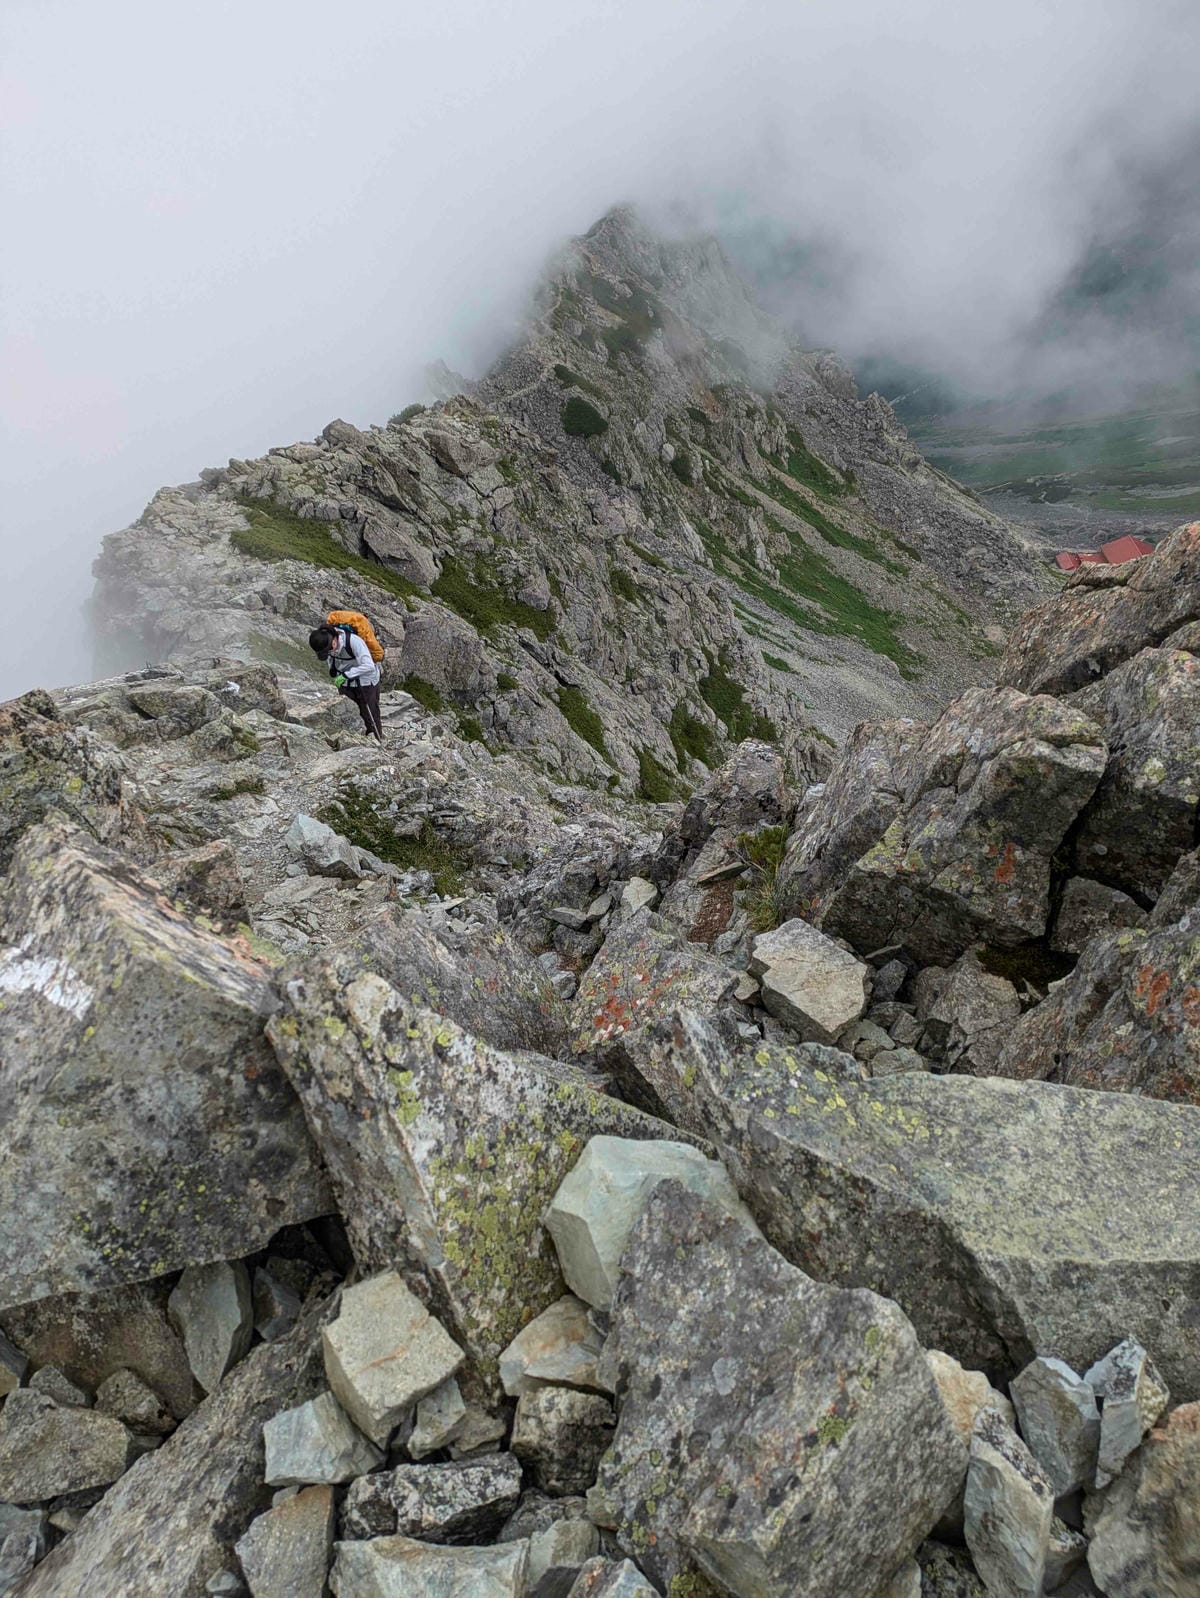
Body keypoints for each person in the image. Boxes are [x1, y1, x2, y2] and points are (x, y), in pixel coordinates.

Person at [308, 622, 383, 740]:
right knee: (350, 713)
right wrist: (337, 674)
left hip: (366, 682)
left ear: (333, 640)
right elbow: (332, 660)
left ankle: (377, 740)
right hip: (346, 682)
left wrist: (346, 675)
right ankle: (355, 741)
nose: (329, 653)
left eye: (328, 650)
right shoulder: (329, 647)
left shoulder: (354, 642)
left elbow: (369, 666)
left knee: (369, 713)